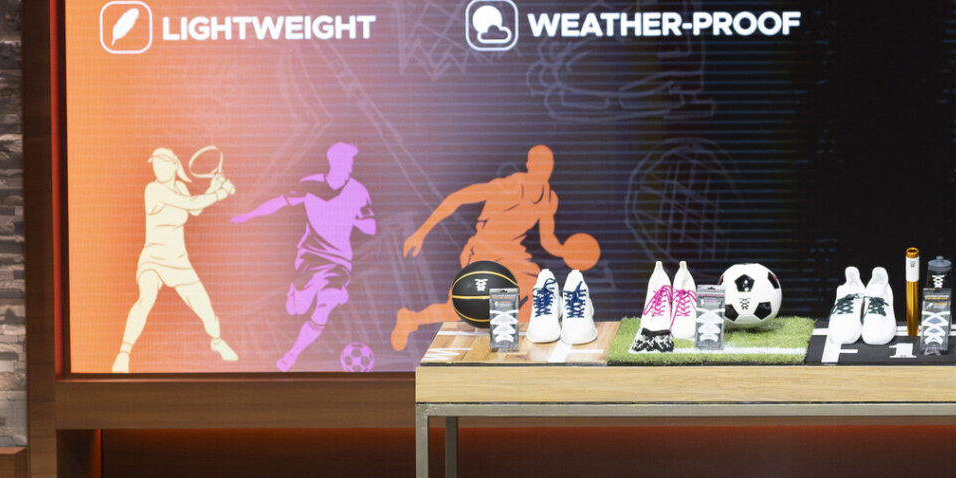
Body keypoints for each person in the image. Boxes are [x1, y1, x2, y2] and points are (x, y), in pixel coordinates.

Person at [393, 144, 599, 349]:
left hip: (513, 253)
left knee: (535, 295)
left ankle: (518, 347)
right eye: (539, 163)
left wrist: (565, 251)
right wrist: (421, 233)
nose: (544, 168)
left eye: (548, 163)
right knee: (461, 310)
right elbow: (456, 198)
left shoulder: (548, 197)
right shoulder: (510, 187)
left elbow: (547, 239)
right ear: (529, 165)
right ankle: (411, 320)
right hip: (484, 248)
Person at [232, 141, 378, 371]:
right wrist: (248, 216)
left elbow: (371, 228)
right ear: (334, 161)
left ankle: (292, 355)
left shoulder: (358, 191)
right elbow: (278, 203)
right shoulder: (310, 183)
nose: (350, 167)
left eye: (352, 162)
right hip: (311, 256)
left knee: (326, 303)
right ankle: (298, 294)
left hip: (339, 261)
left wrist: (354, 218)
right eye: (346, 161)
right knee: (297, 309)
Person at [111, 147, 238, 373]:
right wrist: (221, 193)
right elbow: (191, 204)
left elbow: (195, 209)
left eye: (163, 163)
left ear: (174, 166)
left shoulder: (181, 187)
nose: (158, 167)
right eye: (155, 163)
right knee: (146, 298)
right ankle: (123, 354)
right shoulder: (152, 190)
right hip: (152, 259)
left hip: (179, 262)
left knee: (206, 309)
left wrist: (213, 187)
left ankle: (217, 342)